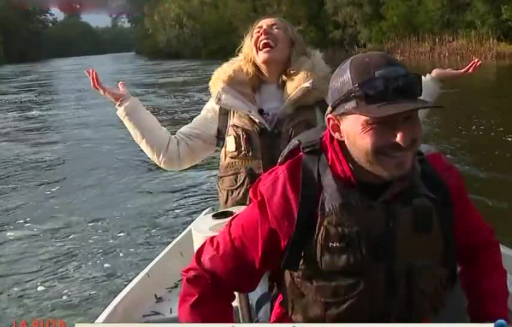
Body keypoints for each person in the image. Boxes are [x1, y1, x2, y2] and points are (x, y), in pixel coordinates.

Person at [178, 51, 512, 327]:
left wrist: (494, 322)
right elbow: (205, 280)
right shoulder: (291, 190)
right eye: (381, 123)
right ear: (336, 127)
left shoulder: (437, 178)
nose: (404, 137)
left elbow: (479, 249)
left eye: (409, 117)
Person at [85, 17, 333, 208]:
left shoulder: (322, 100)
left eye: (275, 27)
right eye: (257, 30)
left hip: (309, 231)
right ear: (249, 49)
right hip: (247, 240)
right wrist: (127, 106)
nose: (263, 31)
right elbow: (174, 154)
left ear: (293, 44)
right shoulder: (227, 103)